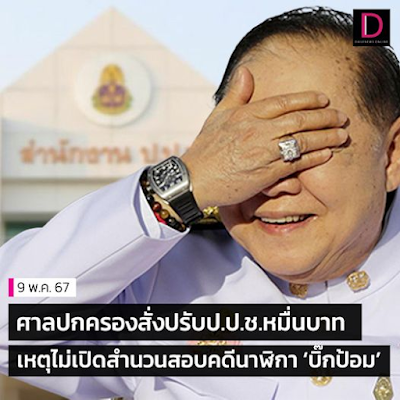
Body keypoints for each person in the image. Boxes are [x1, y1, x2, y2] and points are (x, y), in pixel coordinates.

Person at [1, 6, 400, 400]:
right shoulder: (159, 282)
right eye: (245, 150)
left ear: (392, 156)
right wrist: (173, 189)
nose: (272, 183)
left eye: (305, 147)